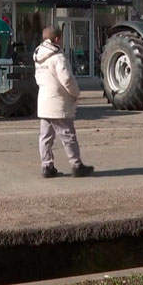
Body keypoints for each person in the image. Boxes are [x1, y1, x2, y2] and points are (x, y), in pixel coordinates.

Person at [33, 26, 94, 178]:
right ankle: (76, 165)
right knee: (68, 135)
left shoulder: (38, 56)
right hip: (58, 102)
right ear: (57, 39)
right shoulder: (58, 57)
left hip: (44, 101)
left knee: (45, 137)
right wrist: (75, 93)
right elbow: (66, 79)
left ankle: (47, 166)